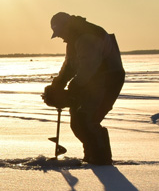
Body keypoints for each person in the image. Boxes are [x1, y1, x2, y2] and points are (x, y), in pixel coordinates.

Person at [42, 12, 125, 165]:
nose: (60, 37)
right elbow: (69, 66)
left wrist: (73, 88)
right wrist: (58, 84)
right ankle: (91, 155)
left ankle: (101, 159)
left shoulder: (87, 37)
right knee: (78, 119)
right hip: (92, 81)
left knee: (87, 119)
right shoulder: (74, 39)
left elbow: (88, 67)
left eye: (60, 33)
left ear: (66, 27)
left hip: (108, 80)